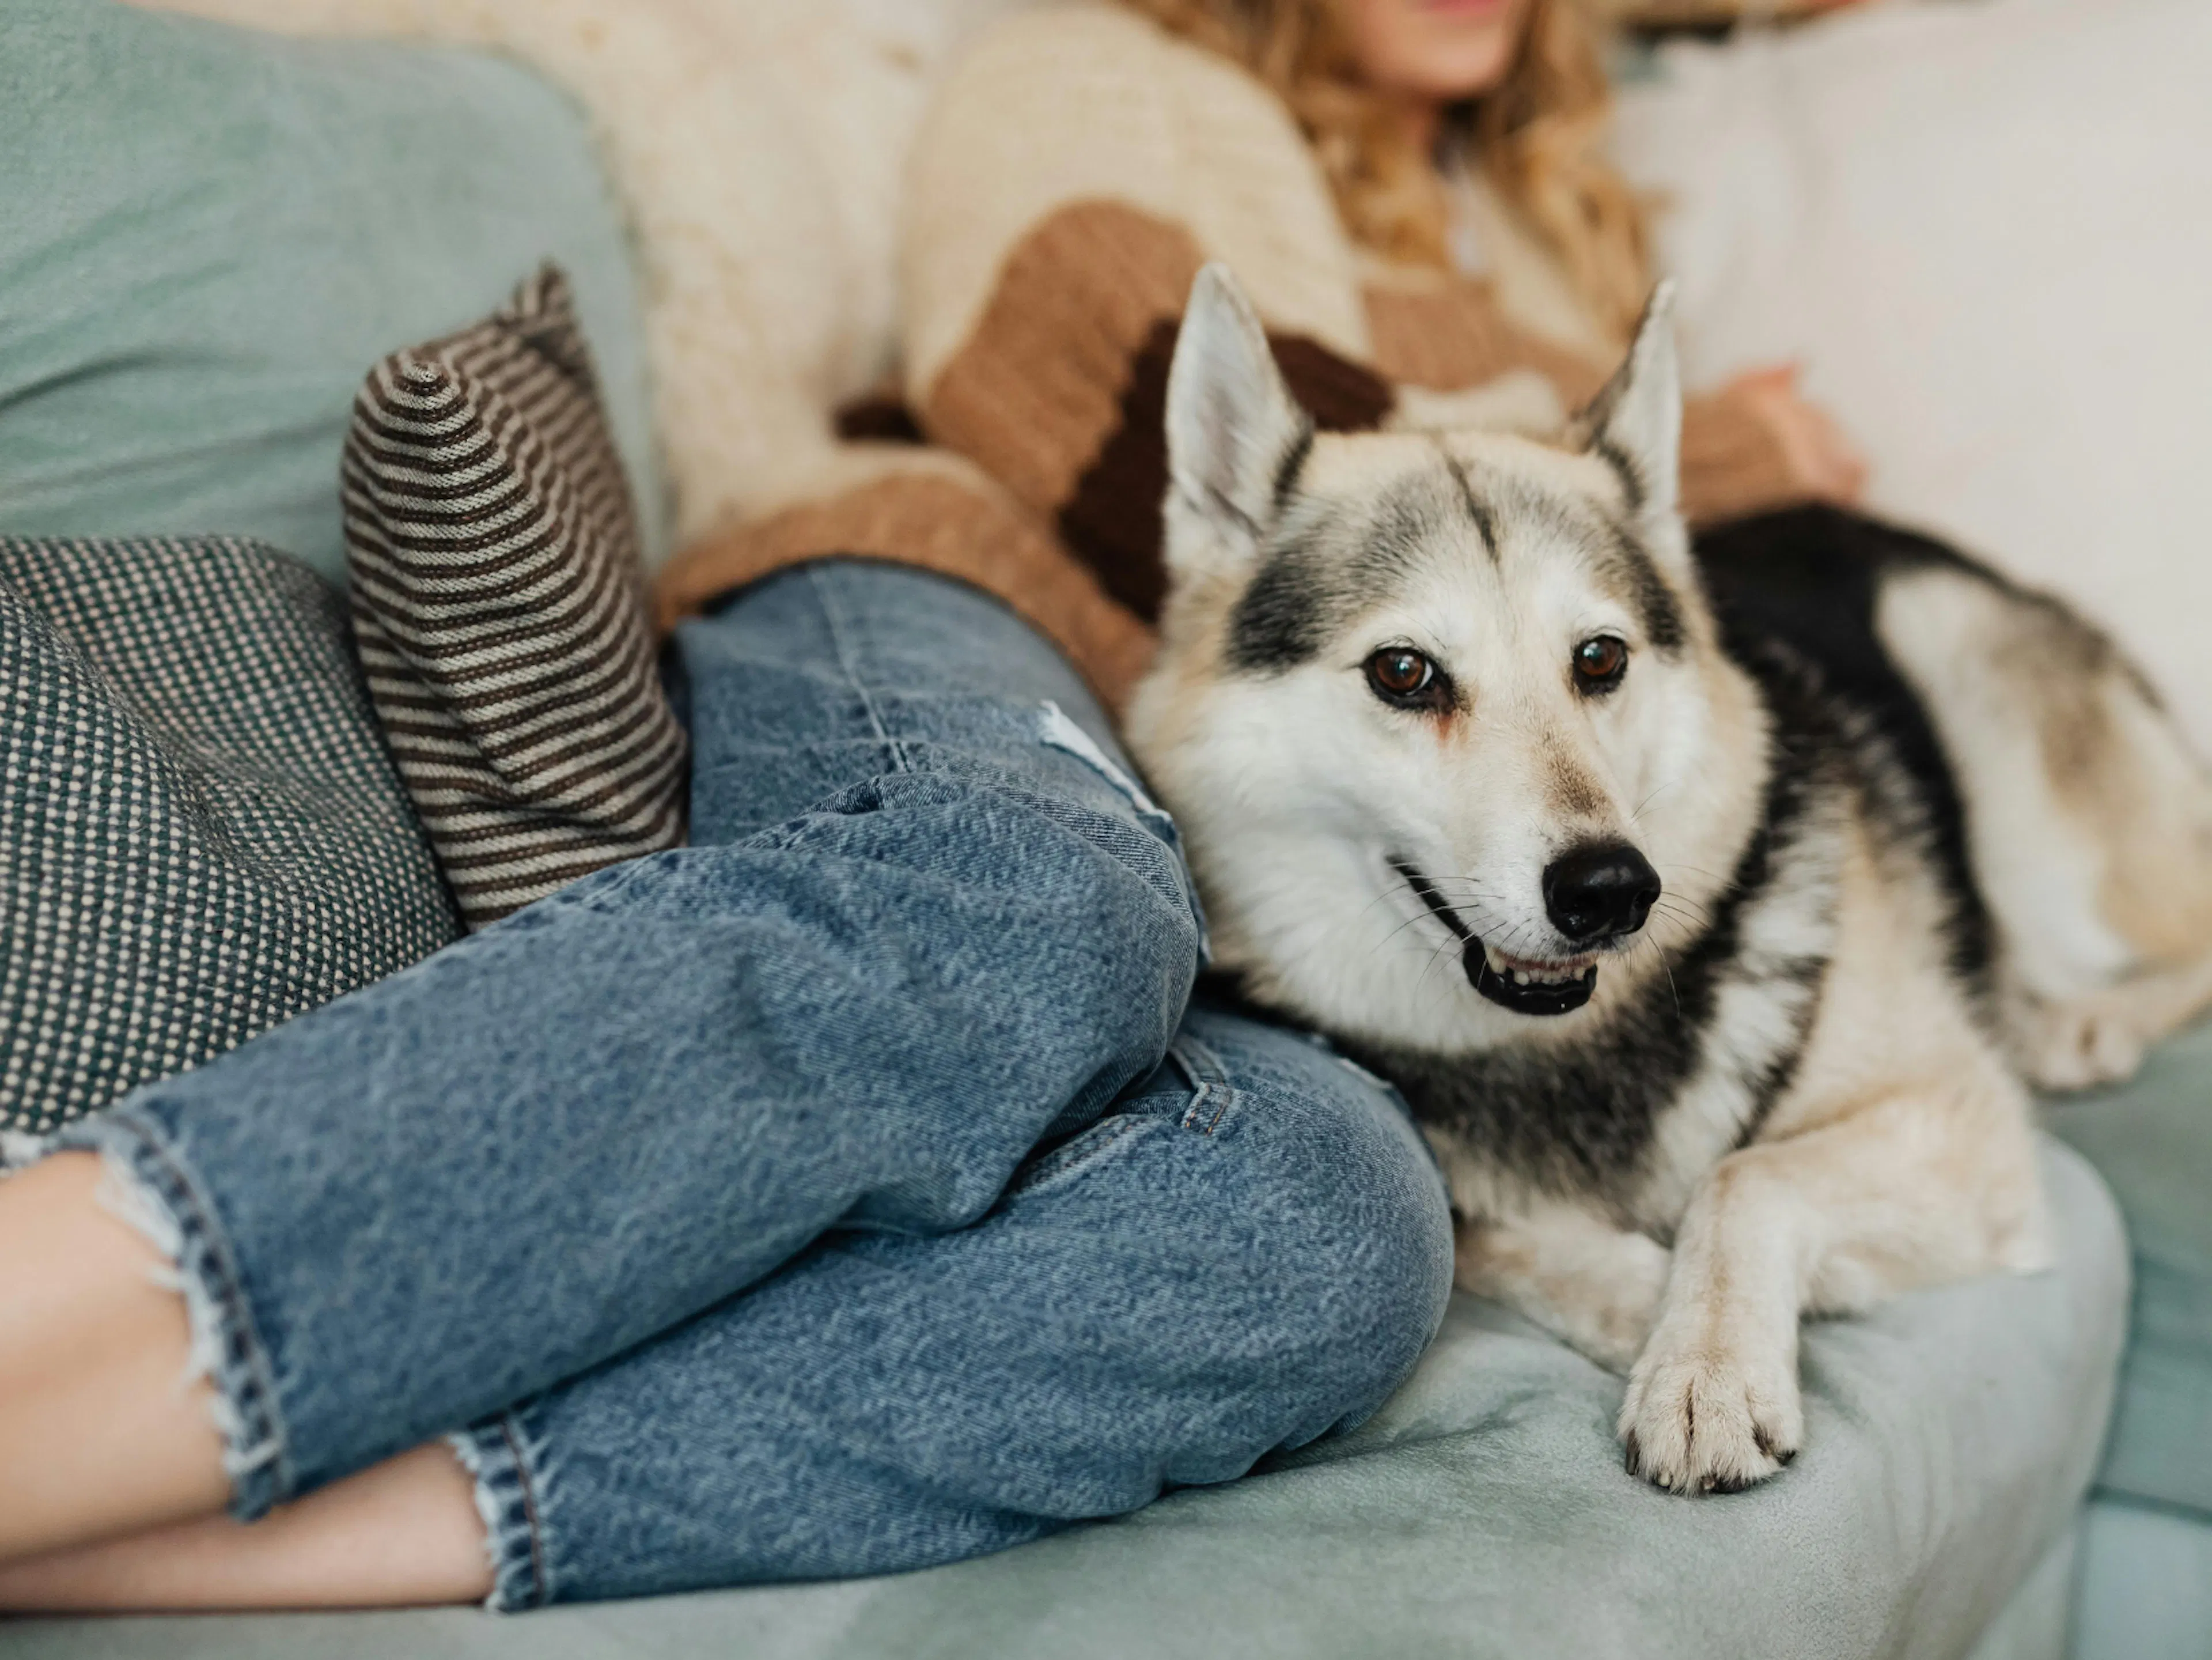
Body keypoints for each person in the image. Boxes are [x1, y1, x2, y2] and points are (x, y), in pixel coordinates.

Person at [0, 0, 1847, 1615]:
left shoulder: (1547, 240)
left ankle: (155, 1542)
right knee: (1032, 907)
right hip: (955, 585)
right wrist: (1651, 474)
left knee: (1338, 1233)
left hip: (1273, 847)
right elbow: (1071, 380)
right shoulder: (1097, 74)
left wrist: (1604, 498)